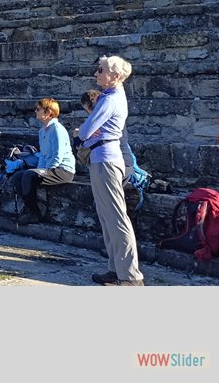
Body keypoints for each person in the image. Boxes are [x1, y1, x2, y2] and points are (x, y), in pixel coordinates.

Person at [79, 55, 144, 286]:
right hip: (101, 158)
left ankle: (130, 275)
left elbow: (84, 132)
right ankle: (116, 269)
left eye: (101, 70)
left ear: (115, 76)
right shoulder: (110, 97)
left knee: (116, 217)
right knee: (107, 217)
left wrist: (82, 132)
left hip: (106, 160)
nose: (96, 74)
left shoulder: (110, 100)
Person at [6, 98, 75, 224]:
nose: (35, 111)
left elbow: (58, 154)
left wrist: (46, 170)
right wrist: (39, 169)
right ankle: (29, 208)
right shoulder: (42, 131)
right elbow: (43, 155)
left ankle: (34, 214)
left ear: (48, 112)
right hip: (49, 168)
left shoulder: (57, 129)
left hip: (62, 169)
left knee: (29, 175)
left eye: (38, 109)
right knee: (17, 176)